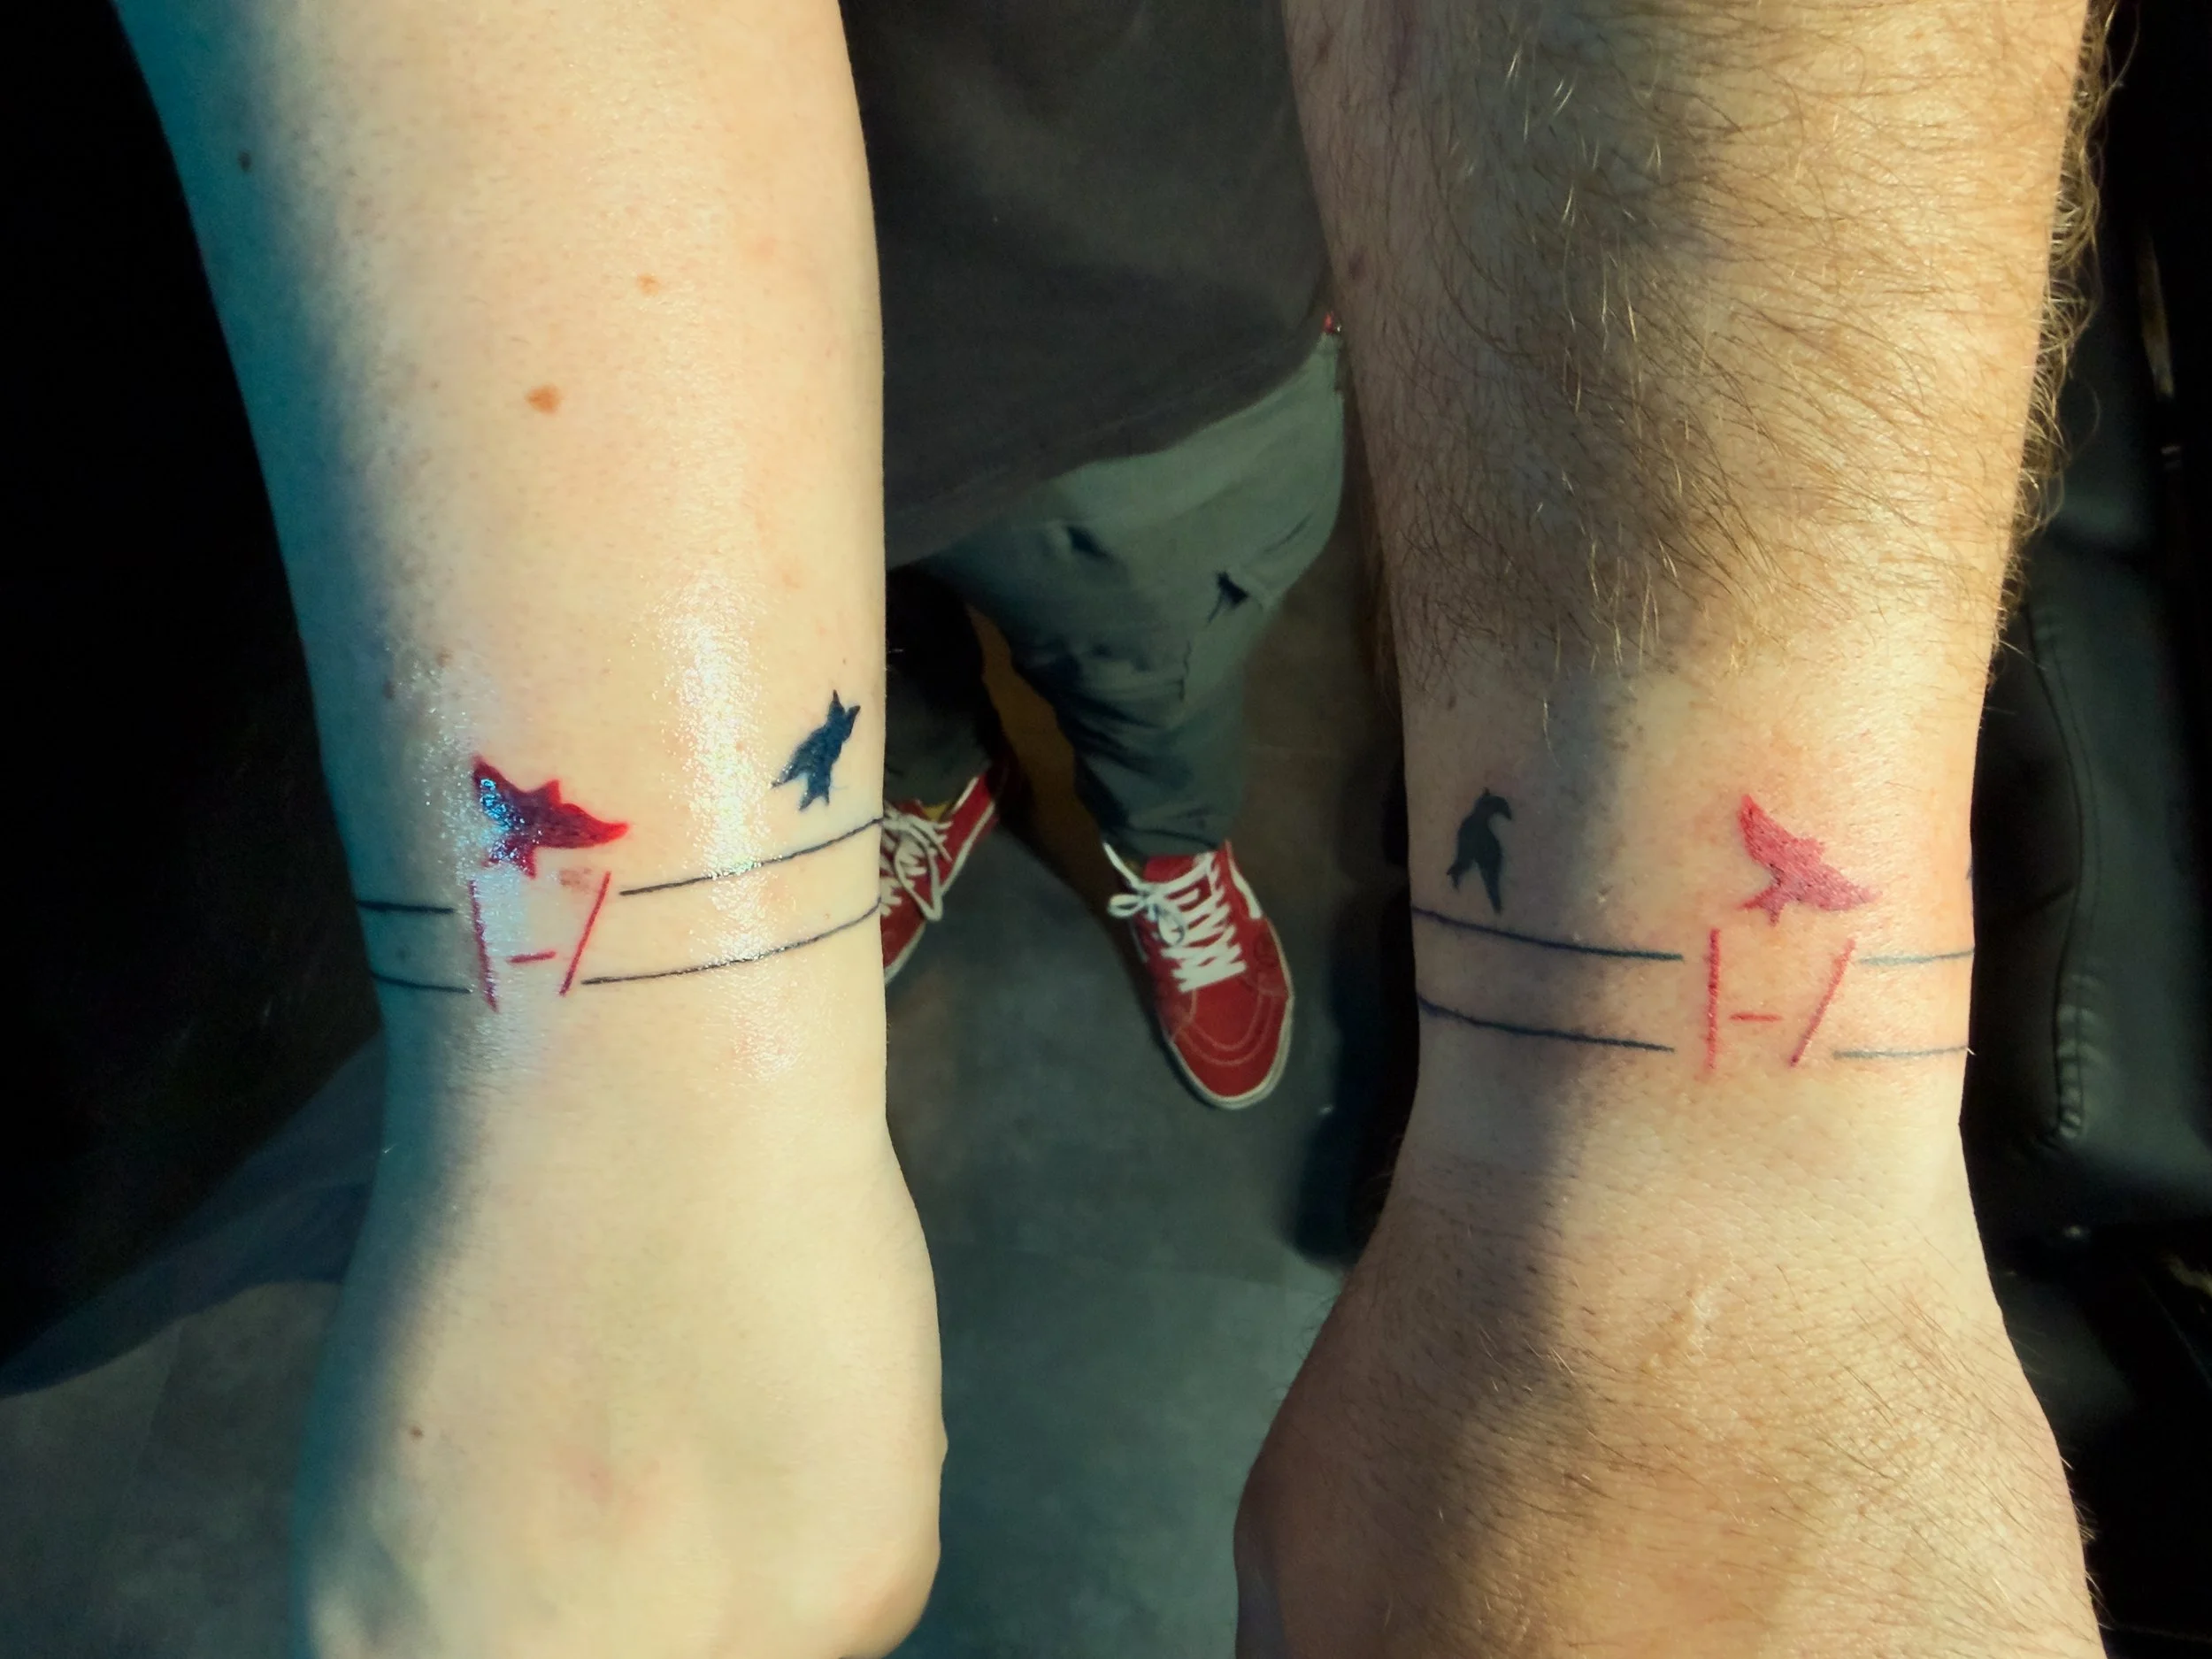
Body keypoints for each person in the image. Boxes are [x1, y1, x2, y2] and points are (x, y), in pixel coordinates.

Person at [112, 0, 2106, 1655]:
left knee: (1152, 668)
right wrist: (635, 1097)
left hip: (1161, 298)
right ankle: (894, 814)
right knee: (878, 709)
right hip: (513, 342)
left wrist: (1712, 1197)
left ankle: (1156, 844)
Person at [853, 4, 1344, 1108]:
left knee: (1158, 684)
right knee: (870, 657)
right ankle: (933, 785)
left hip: (1132, 303)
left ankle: (1171, 850)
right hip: (742, 337)